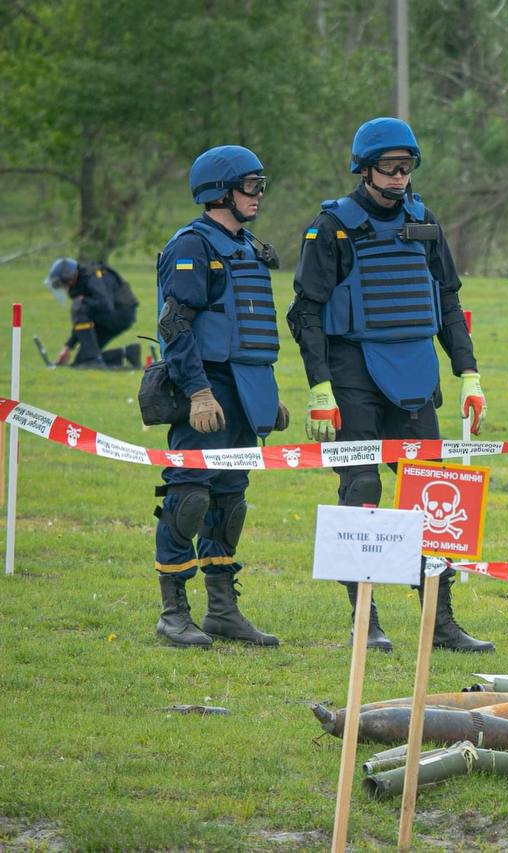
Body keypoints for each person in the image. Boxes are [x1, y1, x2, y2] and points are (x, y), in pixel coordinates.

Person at [287, 117, 494, 654]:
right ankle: (366, 619)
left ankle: (440, 621)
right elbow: (305, 312)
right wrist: (320, 388)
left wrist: (468, 374)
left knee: (434, 496)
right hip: (351, 372)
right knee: (362, 490)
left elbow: (448, 302)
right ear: (363, 169)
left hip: (415, 372)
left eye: (408, 167)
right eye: (390, 168)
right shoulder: (331, 226)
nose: (401, 177)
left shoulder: (425, 221)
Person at [151, 144, 287, 648]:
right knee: (189, 495)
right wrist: (199, 393)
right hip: (201, 387)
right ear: (219, 191)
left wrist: (267, 396)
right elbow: (176, 326)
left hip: (243, 390)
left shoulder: (247, 246)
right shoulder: (192, 246)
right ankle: (173, 613)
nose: (258, 194)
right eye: (249, 185)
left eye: (259, 184)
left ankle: (223, 612)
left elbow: (248, 331)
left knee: (230, 501)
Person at [44, 257, 141, 369]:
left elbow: (105, 304)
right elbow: (83, 319)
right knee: (81, 362)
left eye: (63, 284)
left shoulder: (92, 277)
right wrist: (68, 346)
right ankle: (128, 353)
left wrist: (83, 300)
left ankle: (93, 360)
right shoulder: (81, 280)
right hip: (115, 315)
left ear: (69, 279)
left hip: (121, 314)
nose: (65, 288)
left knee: (79, 307)